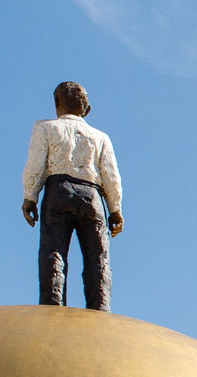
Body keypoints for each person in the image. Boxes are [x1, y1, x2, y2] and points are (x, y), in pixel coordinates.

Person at [22, 82, 123, 310]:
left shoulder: (46, 127)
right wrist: (115, 209)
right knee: (98, 259)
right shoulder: (101, 137)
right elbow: (111, 175)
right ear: (86, 109)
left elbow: (36, 165)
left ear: (58, 103)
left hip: (58, 192)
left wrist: (30, 196)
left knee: (53, 252)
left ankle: (52, 307)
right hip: (93, 197)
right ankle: (100, 310)